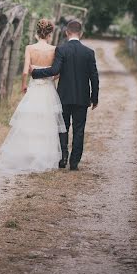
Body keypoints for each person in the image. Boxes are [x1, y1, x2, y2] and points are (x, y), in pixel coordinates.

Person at [0, 19, 65, 173]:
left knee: (30, 120)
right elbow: (56, 72)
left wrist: (23, 85)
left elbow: (25, 71)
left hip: (34, 89)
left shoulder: (29, 48)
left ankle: (29, 153)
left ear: (37, 31)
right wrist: (50, 79)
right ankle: (44, 155)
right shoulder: (54, 49)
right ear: (49, 33)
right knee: (47, 122)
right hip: (48, 89)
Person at [31, 19, 99, 170]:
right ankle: (74, 162)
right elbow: (94, 77)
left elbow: (54, 71)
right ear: (81, 33)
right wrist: (94, 98)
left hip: (64, 96)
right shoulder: (89, 52)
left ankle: (63, 157)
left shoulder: (61, 50)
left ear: (67, 33)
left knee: (63, 127)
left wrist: (35, 72)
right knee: (79, 129)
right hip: (82, 98)